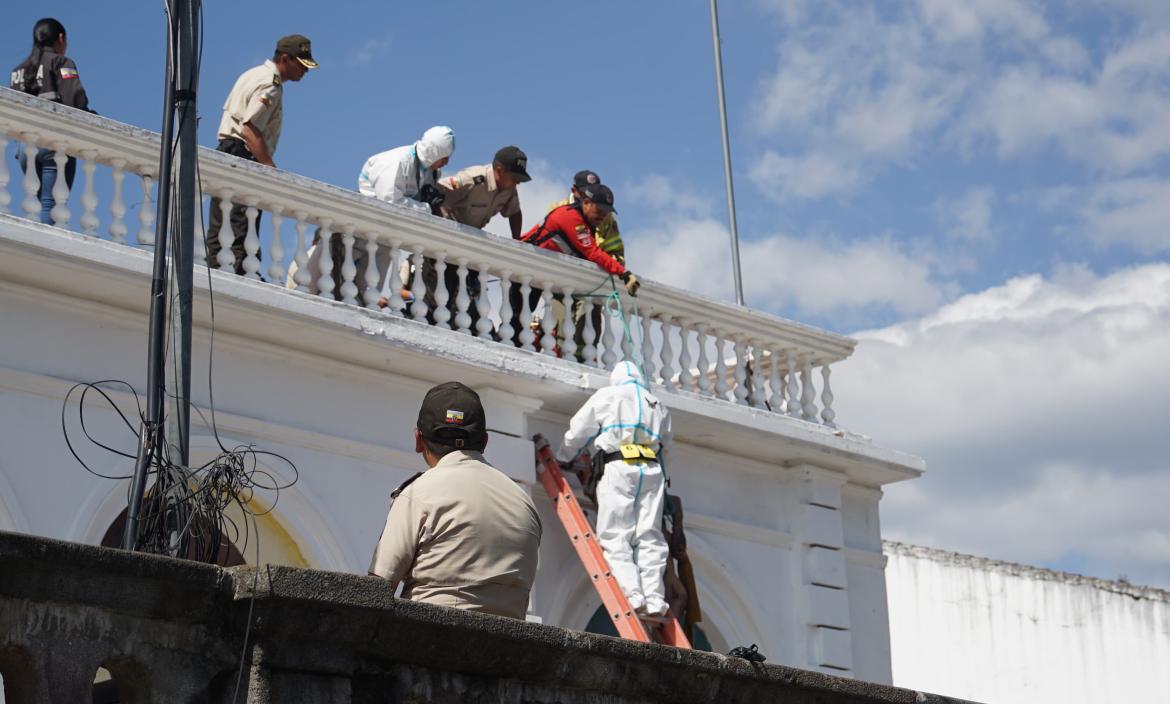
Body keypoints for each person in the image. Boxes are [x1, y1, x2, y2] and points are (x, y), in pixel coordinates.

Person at [369, 381, 542, 619]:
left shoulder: (418, 494)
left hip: (428, 642)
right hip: (508, 650)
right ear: (484, 442)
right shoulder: (524, 504)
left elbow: (378, 588)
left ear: (418, 439)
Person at [290, 126, 455, 305]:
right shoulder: (397, 162)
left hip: (382, 240)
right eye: (444, 156)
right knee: (310, 284)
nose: (446, 162)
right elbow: (391, 203)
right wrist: (426, 208)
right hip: (354, 229)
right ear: (434, 151)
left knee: (365, 296)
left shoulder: (430, 171)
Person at [556, 361, 671, 616]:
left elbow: (579, 430)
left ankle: (633, 595)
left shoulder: (609, 395)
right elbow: (666, 446)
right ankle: (654, 598)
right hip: (651, 470)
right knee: (650, 536)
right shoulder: (657, 403)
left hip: (619, 467)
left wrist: (563, 456)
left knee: (616, 534)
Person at [206, 35, 317, 275]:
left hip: (227, 151)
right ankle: (240, 275)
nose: (304, 72)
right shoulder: (271, 85)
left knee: (222, 225)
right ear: (285, 59)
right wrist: (269, 168)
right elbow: (250, 128)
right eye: (301, 65)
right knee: (241, 226)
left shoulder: (253, 73)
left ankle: (217, 272)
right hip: (242, 155)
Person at [510, 183, 639, 348]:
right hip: (526, 269)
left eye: (607, 212)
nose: (603, 216)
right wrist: (624, 273)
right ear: (585, 203)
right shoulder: (572, 218)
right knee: (517, 319)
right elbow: (592, 252)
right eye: (599, 210)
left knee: (521, 318)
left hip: (536, 273)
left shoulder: (583, 221)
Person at [417, 146, 530, 328]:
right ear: (499, 170)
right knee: (437, 299)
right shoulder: (472, 179)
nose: (517, 183)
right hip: (445, 244)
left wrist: (517, 240)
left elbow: (514, 212)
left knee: (466, 305)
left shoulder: (508, 188)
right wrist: (441, 224)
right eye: (515, 178)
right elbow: (434, 192)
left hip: (468, 251)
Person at [9, 17, 92, 225]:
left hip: (24, 150)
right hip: (53, 146)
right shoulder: (62, 63)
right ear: (61, 38)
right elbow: (75, 100)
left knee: (37, 203)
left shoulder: (17, 72)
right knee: (50, 205)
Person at [543, 170, 626, 359]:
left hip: (592, 278)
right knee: (560, 320)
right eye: (585, 192)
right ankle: (560, 356)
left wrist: (615, 267)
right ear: (575, 191)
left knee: (590, 324)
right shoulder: (559, 208)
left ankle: (584, 359)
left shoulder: (606, 217)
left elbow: (615, 250)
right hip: (561, 277)